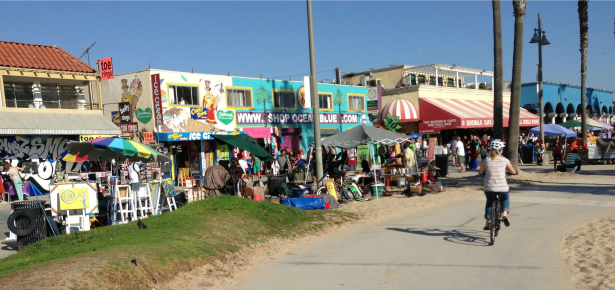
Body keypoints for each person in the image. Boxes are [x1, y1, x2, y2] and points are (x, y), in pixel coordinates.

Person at [479, 139, 517, 230]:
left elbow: (480, 171)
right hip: (502, 187)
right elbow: (512, 171)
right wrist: (514, 173)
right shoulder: (505, 160)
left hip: (489, 187)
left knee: (489, 202)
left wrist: (482, 172)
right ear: (501, 150)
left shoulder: (486, 160)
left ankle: (487, 223)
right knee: (505, 198)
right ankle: (504, 214)